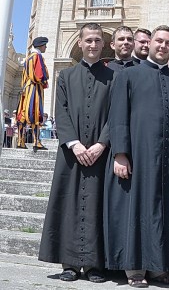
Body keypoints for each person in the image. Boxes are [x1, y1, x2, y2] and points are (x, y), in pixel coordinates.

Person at [105, 26, 169, 288]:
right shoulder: (129, 75)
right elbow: (117, 116)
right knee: (137, 211)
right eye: (159, 41)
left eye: (168, 43)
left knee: (165, 211)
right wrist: (120, 154)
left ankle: (159, 268)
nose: (163, 46)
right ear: (150, 43)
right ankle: (135, 269)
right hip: (138, 155)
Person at [39, 24, 114, 283]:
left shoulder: (113, 77)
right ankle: (69, 264)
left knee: (97, 206)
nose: (93, 45)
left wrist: (102, 144)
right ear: (80, 43)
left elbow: (116, 116)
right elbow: (62, 112)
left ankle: (94, 265)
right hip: (72, 154)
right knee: (68, 203)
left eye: (97, 41)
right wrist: (74, 144)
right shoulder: (66, 77)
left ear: (103, 45)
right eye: (89, 40)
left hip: (99, 153)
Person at [17, 36, 49, 150]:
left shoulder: (28, 58)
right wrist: (45, 80)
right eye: (44, 45)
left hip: (26, 88)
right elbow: (40, 75)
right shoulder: (38, 56)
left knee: (23, 113)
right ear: (41, 45)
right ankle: (36, 142)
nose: (46, 47)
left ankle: (20, 141)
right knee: (35, 112)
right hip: (35, 87)